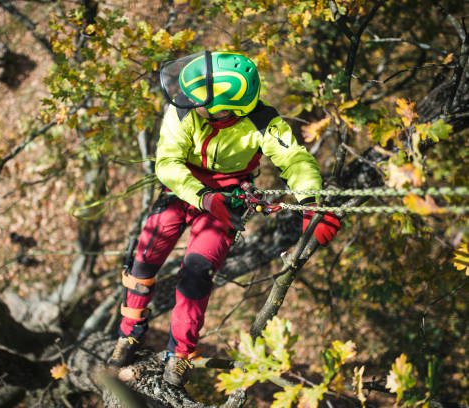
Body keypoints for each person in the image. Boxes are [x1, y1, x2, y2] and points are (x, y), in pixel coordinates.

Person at [108, 51, 340, 386]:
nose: (188, 102)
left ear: (227, 110)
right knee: (143, 263)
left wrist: (313, 204)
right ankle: (129, 333)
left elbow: (295, 161)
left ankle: (180, 353)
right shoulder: (185, 107)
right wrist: (202, 196)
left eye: (199, 101)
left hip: (230, 195)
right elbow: (167, 163)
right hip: (182, 186)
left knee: (197, 273)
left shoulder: (264, 123)